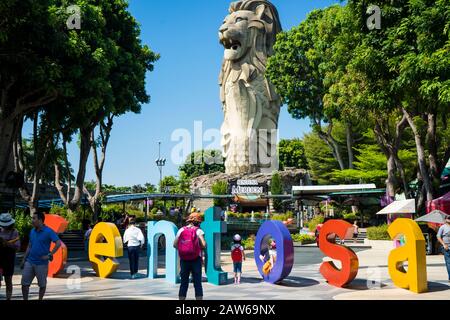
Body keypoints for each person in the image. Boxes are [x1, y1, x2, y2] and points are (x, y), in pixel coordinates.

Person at [20, 211, 61, 300]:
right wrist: (24, 259)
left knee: (42, 285)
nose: (32, 220)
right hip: (29, 262)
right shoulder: (32, 231)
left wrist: (50, 254)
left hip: (42, 264)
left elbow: (58, 243)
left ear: (40, 220)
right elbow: (30, 246)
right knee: (24, 285)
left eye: (34, 218)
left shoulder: (49, 231)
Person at [173, 212, 206, 300]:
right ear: (198, 222)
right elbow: (204, 244)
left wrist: (184, 249)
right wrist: (198, 247)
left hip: (184, 260)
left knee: (184, 283)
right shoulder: (198, 230)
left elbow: (174, 244)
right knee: (197, 283)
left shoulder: (181, 230)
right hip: (196, 259)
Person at [0, 213, 21, 300]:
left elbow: (17, 247)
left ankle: (9, 298)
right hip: (0, 258)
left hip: (9, 259)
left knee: (8, 280)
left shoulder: (14, 232)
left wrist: (7, 243)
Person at [437, 215, 450, 282]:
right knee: (449, 262)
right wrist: (444, 244)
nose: (449, 219)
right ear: (445, 219)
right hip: (447, 247)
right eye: (448, 218)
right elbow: (438, 236)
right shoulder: (443, 227)